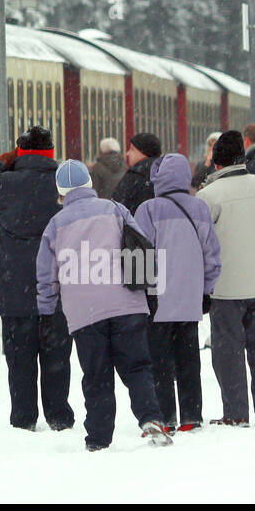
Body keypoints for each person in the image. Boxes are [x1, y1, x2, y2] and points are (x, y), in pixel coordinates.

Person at [36, 159, 172, 450]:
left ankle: (98, 439)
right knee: (137, 367)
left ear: (60, 191)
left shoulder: (55, 225)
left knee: (96, 376)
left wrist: (47, 311)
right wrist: (149, 291)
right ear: (89, 184)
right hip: (127, 304)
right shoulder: (115, 209)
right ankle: (151, 417)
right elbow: (142, 247)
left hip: (84, 314)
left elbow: (46, 275)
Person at [0, 126, 75, 431]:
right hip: (57, 288)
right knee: (57, 357)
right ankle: (59, 416)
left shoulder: (4, 183)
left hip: (14, 289)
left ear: (20, 153)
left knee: (19, 360)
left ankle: (24, 418)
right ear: (51, 152)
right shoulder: (63, 183)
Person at [197, 130, 255, 425]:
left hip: (225, 289)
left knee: (228, 354)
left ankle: (235, 413)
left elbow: (196, 240)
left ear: (216, 162)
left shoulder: (208, 196)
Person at [134, 153, 221, 432]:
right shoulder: (199, 208)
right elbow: (212, 256)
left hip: (157, 300)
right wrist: (206, 291)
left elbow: (140, 254)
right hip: (189, 299)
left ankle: (165, 416)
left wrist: (142, 292)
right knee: (188, 360)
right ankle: (191, 415)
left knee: (159, 363)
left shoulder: (148, 209)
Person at [112, 132, 162, 213]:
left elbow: (119, 208)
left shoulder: (135, 176)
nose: (128, 153)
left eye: (132, 149)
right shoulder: (166, 173)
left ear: (145, 152)